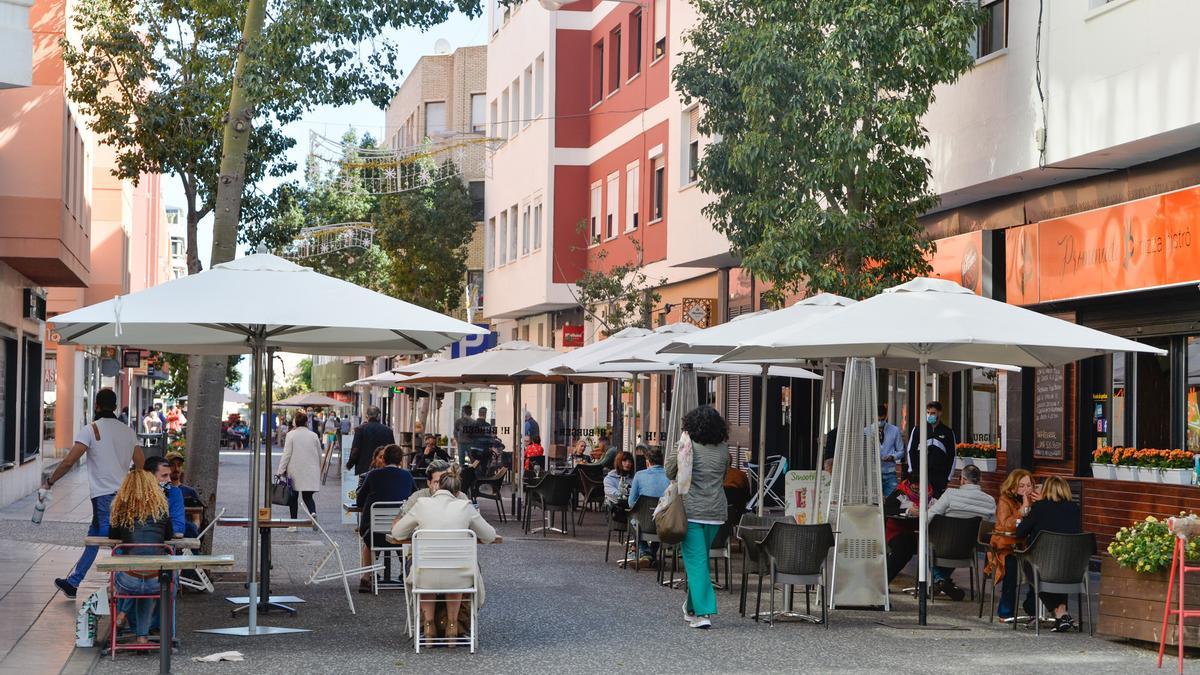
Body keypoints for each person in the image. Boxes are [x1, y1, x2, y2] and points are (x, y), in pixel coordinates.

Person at [46, 388, 145, 599]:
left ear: (97, 407)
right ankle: (73, 582)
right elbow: (141, 463)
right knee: (96, 536)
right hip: (124, 495)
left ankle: (124, 586)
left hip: (104, 496)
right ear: (116, 407)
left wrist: (50, 481)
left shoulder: (90, 429)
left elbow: (69, 461)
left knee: (111, 540)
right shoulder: (128, 431)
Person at [392, 470, 497, 643]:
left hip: (424, 577)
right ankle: (452, 626)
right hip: (460, 579)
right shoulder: (465, 506)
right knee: (456, 567)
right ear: (457, 492)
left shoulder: (422, 504)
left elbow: (397, 532)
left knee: (426, 570)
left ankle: (428, 625)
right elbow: (490, 536)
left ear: (437, 486)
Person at [668, 405, 730, 630]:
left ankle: (703, 613)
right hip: (716, 512)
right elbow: (723, 475)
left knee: (696, 562)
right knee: (699, 560)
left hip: (692, 511)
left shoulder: (686, 444)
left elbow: (668, 471)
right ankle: (691, 607)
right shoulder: (724, 449)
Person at [107, 470, 172, 644]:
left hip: (129, 580)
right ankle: (149, 636)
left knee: (133, 570)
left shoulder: (120, 510)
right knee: (154, 572)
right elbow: (169, 536)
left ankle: (124, 618)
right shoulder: (161, 510)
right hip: (157, 580)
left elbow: (112, 537)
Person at [1013, 475, 1084, 632]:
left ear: (1045, 490)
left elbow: (1019, 532)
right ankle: (1062, 616)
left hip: (1044, 566)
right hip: (1072, 568)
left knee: (1030, 569)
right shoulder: (1074, 508)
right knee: (1058, 566)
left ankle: (1060, 614)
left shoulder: (1040, 508)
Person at [916, 464, 996, 600]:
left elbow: (929, 516)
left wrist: (921, 530)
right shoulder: (990, 501)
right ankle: (941, 582)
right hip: (969, 549)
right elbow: (991, 527)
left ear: (962, 479)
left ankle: (940, 580)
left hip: (944, 546)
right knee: (947, 545)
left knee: (923, 543)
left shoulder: (950, 494)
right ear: (979, 480)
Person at [354, 444, 415, 592]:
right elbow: (414, 499)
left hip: (374, 533)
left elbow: (359, 501)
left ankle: (366, 577)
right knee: (405, 536)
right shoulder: (407, 476)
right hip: (399, 532)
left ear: (384, 459)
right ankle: (404, 573)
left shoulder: (373, 475)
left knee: (368, 543)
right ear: (401, 461)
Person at [987, 468, 1033, 621]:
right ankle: (1005, 612)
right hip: (1005, 547)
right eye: (1022, 486)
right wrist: (1023, 509)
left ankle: (1031, 606)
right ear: (1013, 486)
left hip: (1025, 546)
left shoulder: (1035, 499)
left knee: (1039, 565)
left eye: (1029, 485)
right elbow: (1007, 525)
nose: (1026, 489)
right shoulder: (1004, 500)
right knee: (1011, 567)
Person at [883, 475, 932, 582]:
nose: (915, 486)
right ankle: (884, 581)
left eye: (918, 484)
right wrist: (907, 511)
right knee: (903, 549)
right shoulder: (899, 493)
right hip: (898, 531)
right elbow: (887, 510)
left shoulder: (931, 494)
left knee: (935, 550)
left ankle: (938, 582)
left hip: (923, 533)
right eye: (913, 483)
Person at [906, 401, 957, 496]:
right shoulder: (918, 429)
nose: (930, 415)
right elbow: (910, 451)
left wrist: (947, 478)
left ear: (940, 413)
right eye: (928, 412)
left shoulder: (948, 432)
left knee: (936, 505)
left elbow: (952, 456)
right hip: (920, 475)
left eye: (933, 413)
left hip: (939, 478)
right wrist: (913, 473)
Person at [629, 446, 670, 565]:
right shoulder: (670, 477)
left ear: (647, 461)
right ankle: (652, 553)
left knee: (631, 520)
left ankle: (645, 552)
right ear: (662, 461)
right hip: (663, 524)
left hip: (644, 524)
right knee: (660, 519)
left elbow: (631, 502)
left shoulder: (639, 475)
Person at [278, 411, 322, 520]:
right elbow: (319, 454)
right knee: (308, 496)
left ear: (295, 422)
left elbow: (286, 454)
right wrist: (319, 467)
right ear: (306, 422)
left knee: (293, 497)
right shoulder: (314, 435)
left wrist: (280, 470)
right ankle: (313, 513)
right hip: (310, 470)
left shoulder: (291, 435)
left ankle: (293, 523)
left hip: (295, 471)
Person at [143, 455, 194, 538]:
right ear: (149, 477)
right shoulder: (133, 494)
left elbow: (178, 528)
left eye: (169, 475)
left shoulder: (174, 492)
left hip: (164, 547)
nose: (169, 480)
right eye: (164, 475)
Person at [402, 460, 468, 515]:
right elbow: (400, 521)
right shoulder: (418, 497)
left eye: (445, 480)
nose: (441, 486)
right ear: (429, 483)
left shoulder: (460, 497)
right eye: (436, 482)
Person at [346, 406, 397, 476]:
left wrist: (350, 464)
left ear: (367, 416)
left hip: (364, 469)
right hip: (383, 468)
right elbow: (393, 450)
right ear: (379, 416)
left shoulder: (360, 430)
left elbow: (355, 450)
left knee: (365, 486)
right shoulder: (388, 431)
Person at [875, 404, 905, 496]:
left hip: (890, 473)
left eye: (882, 419)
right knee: (875, 503)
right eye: (878, 420)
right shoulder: (867, 431)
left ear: (886, 417)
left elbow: (901, 451)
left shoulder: (894, 430)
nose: (880, 422)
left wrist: (892, 457)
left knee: (891, 500)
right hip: (874, 473)